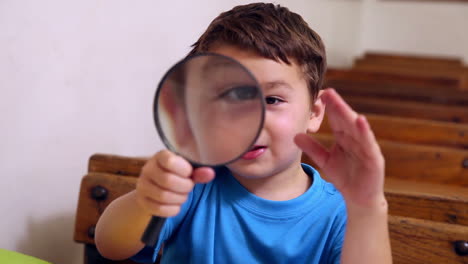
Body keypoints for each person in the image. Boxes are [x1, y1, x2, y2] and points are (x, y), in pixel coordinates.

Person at [95, 3, 392, 264]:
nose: (248, 121)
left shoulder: (340, 215)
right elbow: (111, 245)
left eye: (271, 100)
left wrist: (367, 209)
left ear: (314, 113)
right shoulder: (194, 185)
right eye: (230, 97)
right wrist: (146, 202)